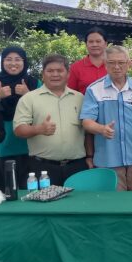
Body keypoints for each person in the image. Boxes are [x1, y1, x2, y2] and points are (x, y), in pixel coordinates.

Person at [80, 46, 132, 190]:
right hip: (108, 160)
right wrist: (101, 129)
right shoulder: (94, 89)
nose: (117, 67)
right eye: (112, 63)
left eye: (121, 62)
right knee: (114, 202)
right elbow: (87, 122)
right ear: (105, 64)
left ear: (128, 64)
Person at [13, 54, 88, 185]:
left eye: (59, 70)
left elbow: (88, 129)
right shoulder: (29, 98)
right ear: (43, 74)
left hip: (77, 167)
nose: (55, 74)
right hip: (43, 169)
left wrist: (90, 156)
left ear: (68, 74)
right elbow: (18, 130)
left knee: (78, 199)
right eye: (50, 71)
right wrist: (39, 129)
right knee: (45, 199)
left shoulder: (80, 98)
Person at [0, 46, 39, 187]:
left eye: (18, 59)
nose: (13, 63)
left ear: (24, 62)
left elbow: (44, 109)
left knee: (30, 188)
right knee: (6, 190)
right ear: (3, 62)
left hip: (30, 145)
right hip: (3, 145)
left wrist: (28, 94)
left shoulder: (34, 83)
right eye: (8, 59)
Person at [68, 27, 108, 95]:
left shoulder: (114, 65)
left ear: (105, 44)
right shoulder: (76, 67)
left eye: (98, 41)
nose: (94, 45)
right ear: (86, 44)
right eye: (91, 42)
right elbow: (70, 94)